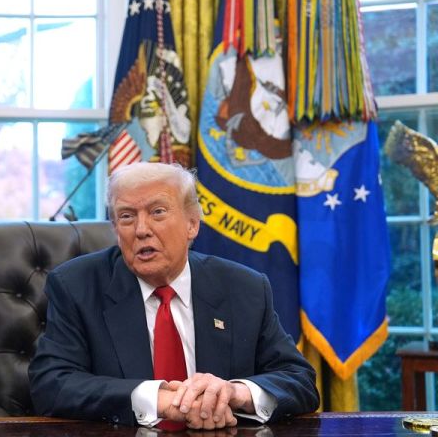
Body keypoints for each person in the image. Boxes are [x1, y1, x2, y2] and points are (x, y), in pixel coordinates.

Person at [28, 162, 319, 430]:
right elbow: (52, 384)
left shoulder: (244, 288)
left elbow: (299, 380)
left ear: (192, 224)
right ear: (116, 230)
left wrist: (235, 393)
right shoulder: (76, 286)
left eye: (157, 212)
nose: (141, 230)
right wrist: (158, 400)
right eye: (126, 217)